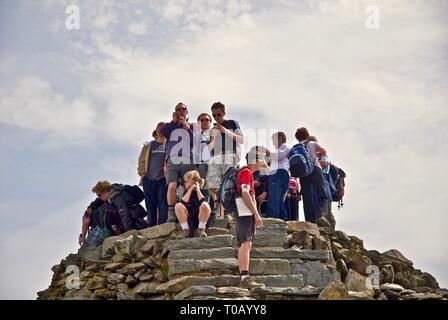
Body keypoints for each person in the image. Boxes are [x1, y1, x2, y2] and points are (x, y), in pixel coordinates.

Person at [160, 103, 197, 222]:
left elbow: (195, 141)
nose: (181, 111)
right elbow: (163, 133)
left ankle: (189, 210)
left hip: (187, 158)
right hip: (172, 158)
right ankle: (171, 213)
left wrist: (185, 125)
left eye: (183, 109)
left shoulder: (192, 126)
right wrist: (173, 121)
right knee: (171, 186)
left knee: (189, 185)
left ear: (187, 112)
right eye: (178, 109)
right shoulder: (171, 126)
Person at [207, 102, 244, 218]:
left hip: (229, 155)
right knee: (212, 185)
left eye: (219, 115)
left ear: (224, 113)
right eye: (214, 115)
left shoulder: (232, 123)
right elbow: (209, 149)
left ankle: (228, 211)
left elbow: (241, 140)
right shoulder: (212, 129)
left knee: (228, 184)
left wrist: (225, 131)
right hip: (215, 157)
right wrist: (213, 137)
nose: (217, 117)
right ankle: (218, 208)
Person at [235, 150, 265, 289]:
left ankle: (244, 276)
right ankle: (245, 277)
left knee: (246, 243)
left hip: (244, 209)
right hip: (245, 209)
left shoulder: (246, 172)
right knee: (246, 243)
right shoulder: (246, 172)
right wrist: (256, 214)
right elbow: (245, 193)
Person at [294, 127, 330, 226]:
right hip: (315, 168)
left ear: (297, 137)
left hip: (303, 172)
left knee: (307, 197)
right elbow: (324, 152)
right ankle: (322, 215)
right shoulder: (312, 144)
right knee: (322, 193)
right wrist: (315, 154)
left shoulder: (295, 147)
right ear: (307, 135)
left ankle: (310, 221)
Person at [138, 122, 168, 227]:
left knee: (163, 201)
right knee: (150, 204)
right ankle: (151, 225)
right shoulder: (148, 145)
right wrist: (143, 174)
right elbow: (141, 160)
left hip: (163, 179)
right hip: (149, 179)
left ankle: (163, 224)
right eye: (158, 130)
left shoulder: (169, 145)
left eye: (162, 130)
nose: (160, 133)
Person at [79, 180, 122, 247]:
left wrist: (83, 238)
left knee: (85, 252)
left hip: (98, 231)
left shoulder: (93, 206)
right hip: (111, 233)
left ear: (104, 192)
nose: (98, 197)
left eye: (99, 195)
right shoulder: (113, 203)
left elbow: (86, 221)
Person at [259, 132, 290, 220]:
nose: (273, 143)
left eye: (274, 140)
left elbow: (278, 156)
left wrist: (266, 151)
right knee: (278, 199)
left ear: (280, 138)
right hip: (275, 175)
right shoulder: (279, 150)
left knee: (274, 198)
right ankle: (282, 218)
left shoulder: (284, 147)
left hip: (279, 174)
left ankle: (274, 217)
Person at [175, 170, 211, 238]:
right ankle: (185, 230)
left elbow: (203, 201)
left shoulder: (204, 191)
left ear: (193, 181)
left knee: (204, 205)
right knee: (178, 206)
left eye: (186, 181)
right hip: (190, 219)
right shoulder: (186, 193)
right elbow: (183, 203)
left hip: (201, 218)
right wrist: (190, 190)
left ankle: (201, 230)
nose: (184, 183)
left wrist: (197, 189)